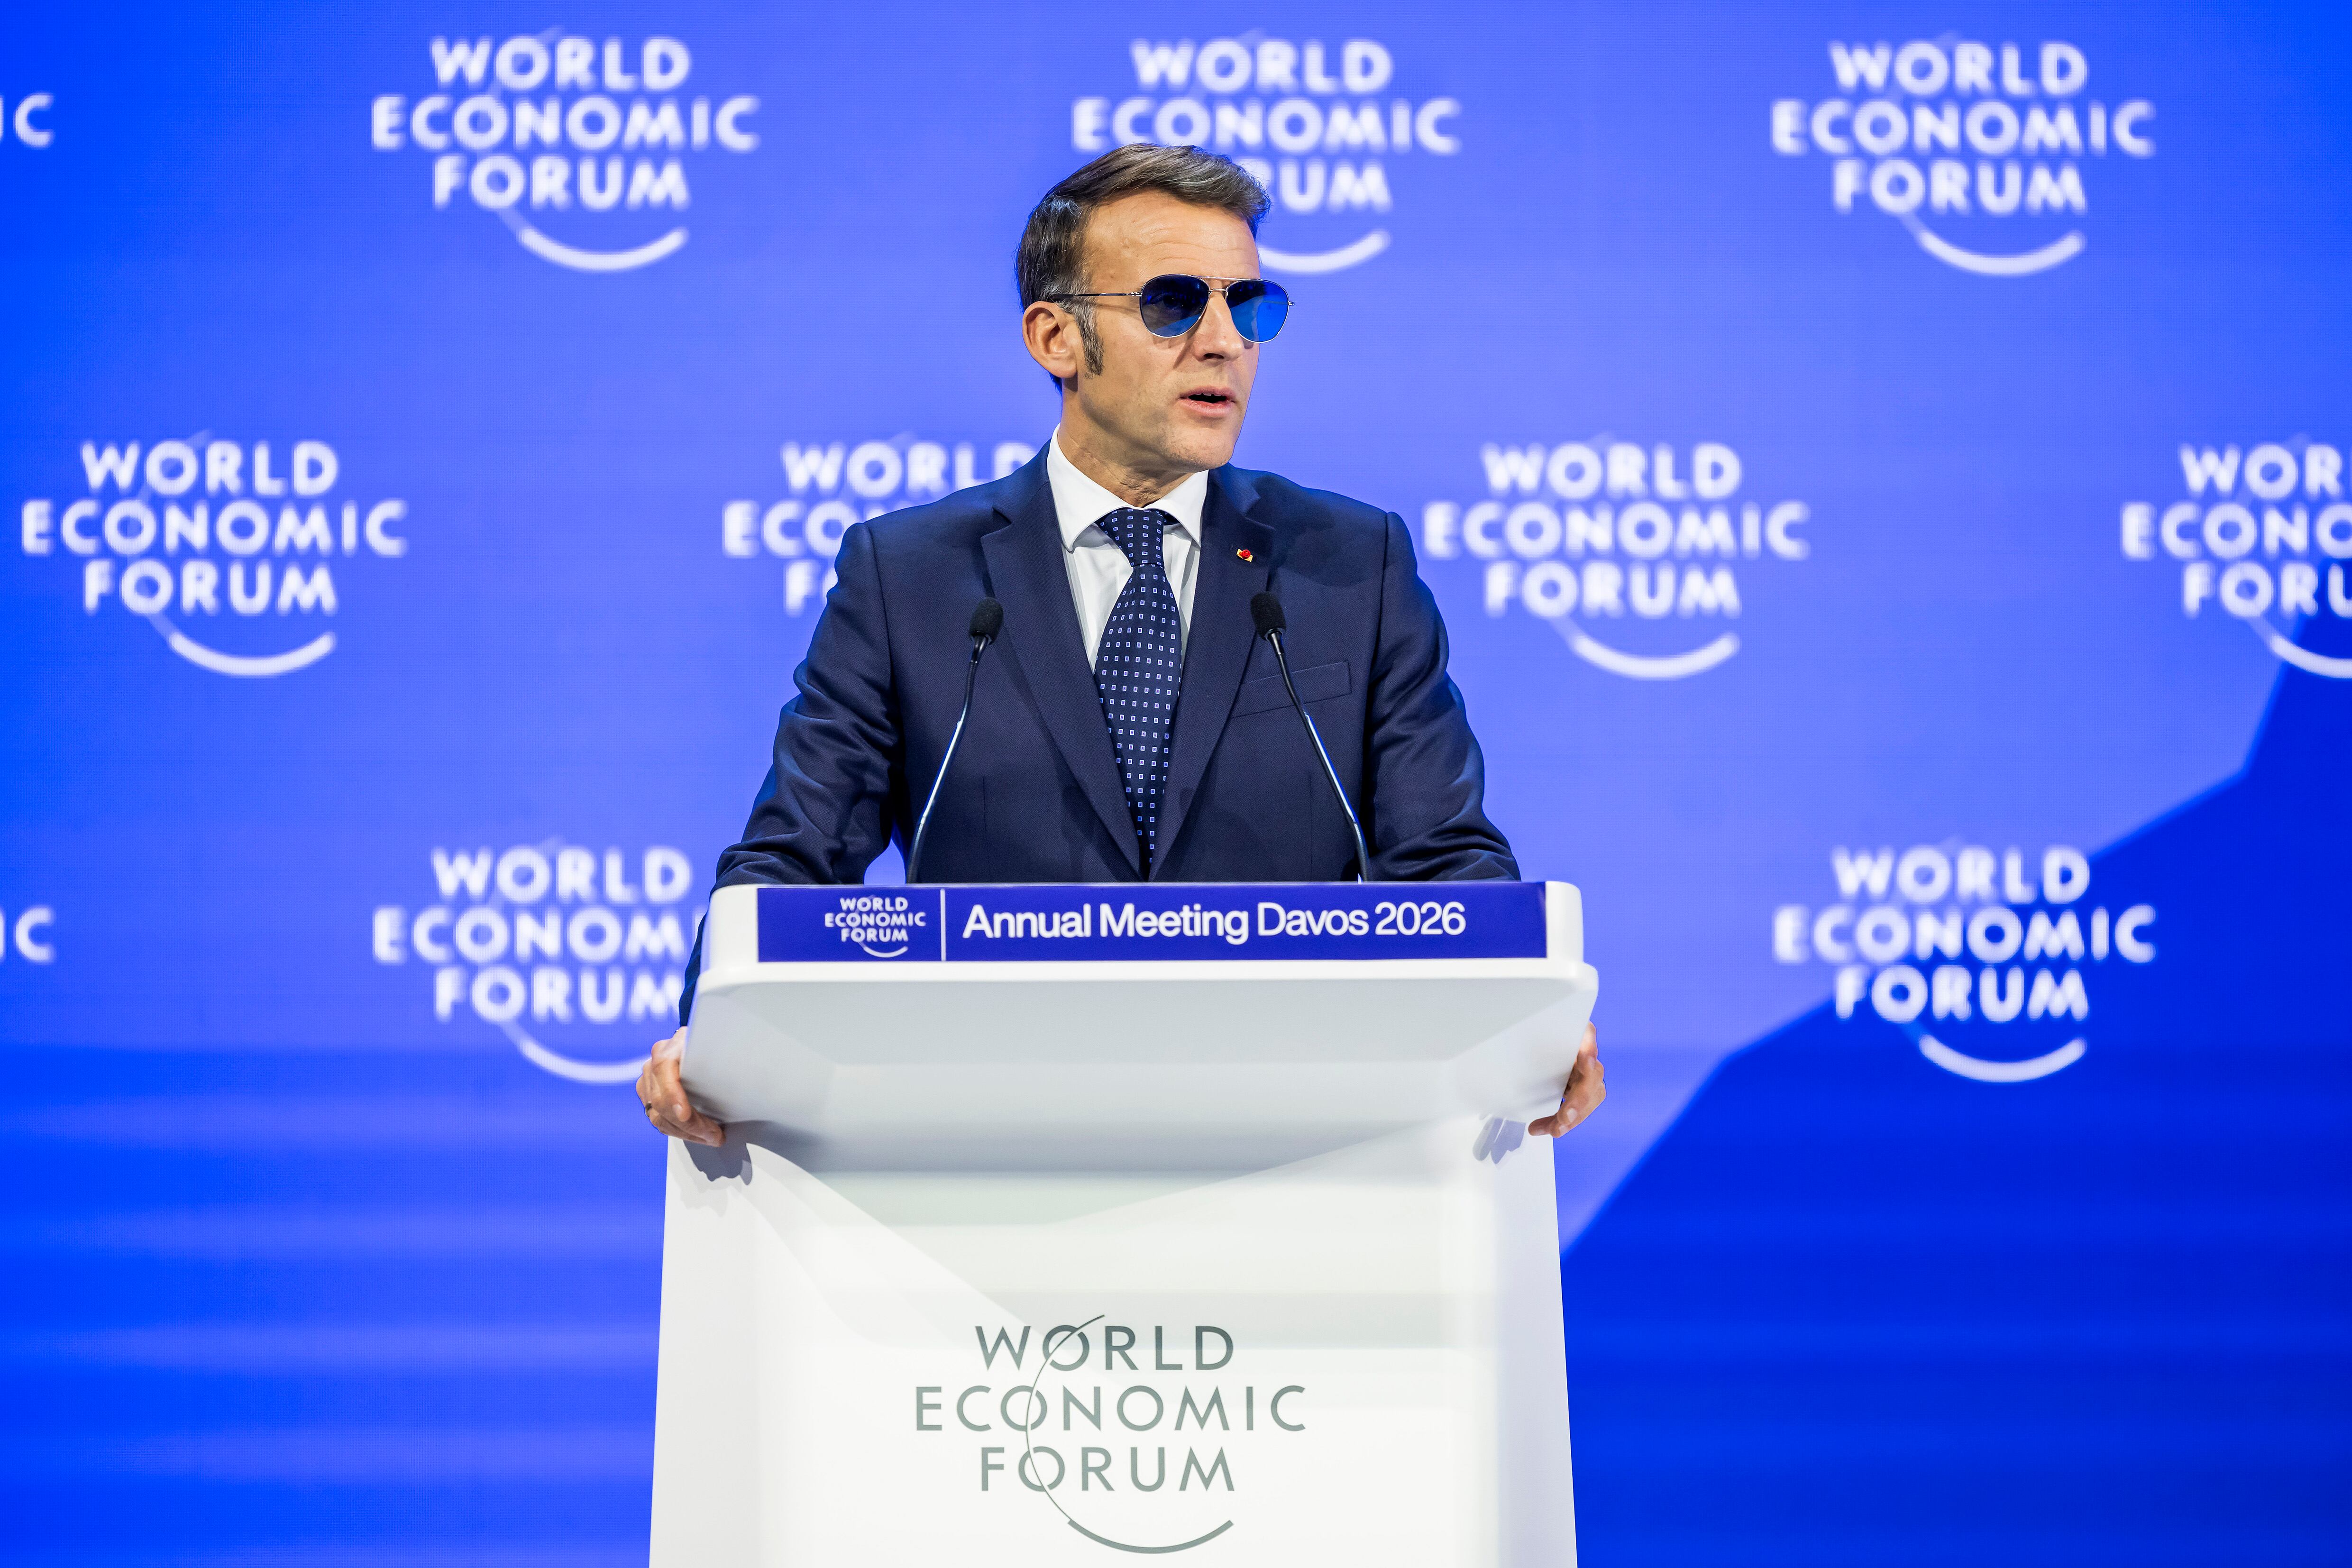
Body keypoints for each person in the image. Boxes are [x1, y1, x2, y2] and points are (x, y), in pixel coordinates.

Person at [639, 144, 1602, 1146]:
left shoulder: (1351, 567)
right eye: (1175, 303)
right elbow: (790, 865)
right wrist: (707, 1038)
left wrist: (1519, 1024)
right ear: (1056, 337)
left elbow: (1447, 864)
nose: (1225, 341)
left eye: (1251, 305)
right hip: (980, 1148)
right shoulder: (911, 578)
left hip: (1299, 1144)